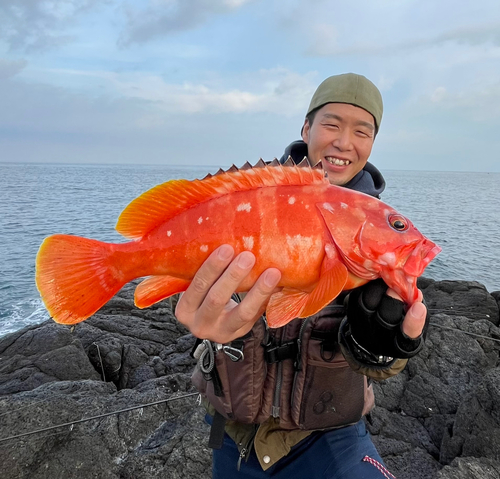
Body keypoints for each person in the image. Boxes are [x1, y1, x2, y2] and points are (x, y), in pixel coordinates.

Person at [175, 73, 429, 478]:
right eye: (331, 124)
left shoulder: (376, 236)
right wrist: (201, 319)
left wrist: (383, 344)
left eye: (362, 131)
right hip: (228, 430)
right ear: (306, 128)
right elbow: (193, 276)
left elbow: (379, 360)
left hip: (328, 436)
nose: (344, 142)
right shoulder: (249, 197)